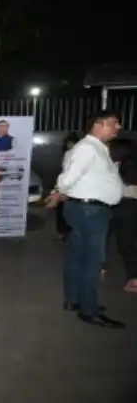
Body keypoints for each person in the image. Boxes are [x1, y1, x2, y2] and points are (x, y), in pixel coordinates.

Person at [45, 111, 125, 328]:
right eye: (114, 124)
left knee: (77, 257)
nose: (118, 127)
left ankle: (74, 300)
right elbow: (68, 177)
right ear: (98, 125)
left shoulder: (94, 147)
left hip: (86, 209)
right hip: (90, 211)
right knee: (92, 261)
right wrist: (58, 191)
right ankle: (88, 310)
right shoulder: (88, 148)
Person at [109, 137, 137, 294]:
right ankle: (134, 279)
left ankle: (100, 268)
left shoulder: (120, 166)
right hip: (131, 207)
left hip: (120, 205)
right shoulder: (131, 165)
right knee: (127, 244)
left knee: (105, 238)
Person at [55, 132, 80, 240]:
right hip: (65, 186)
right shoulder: (67, 154)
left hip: (74, 188)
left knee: (70, 212)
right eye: (68, 143)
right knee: (61, 211)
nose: (70, 145)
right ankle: (63, 232)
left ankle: (70, 232)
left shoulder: (80, 155)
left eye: (72, 143)